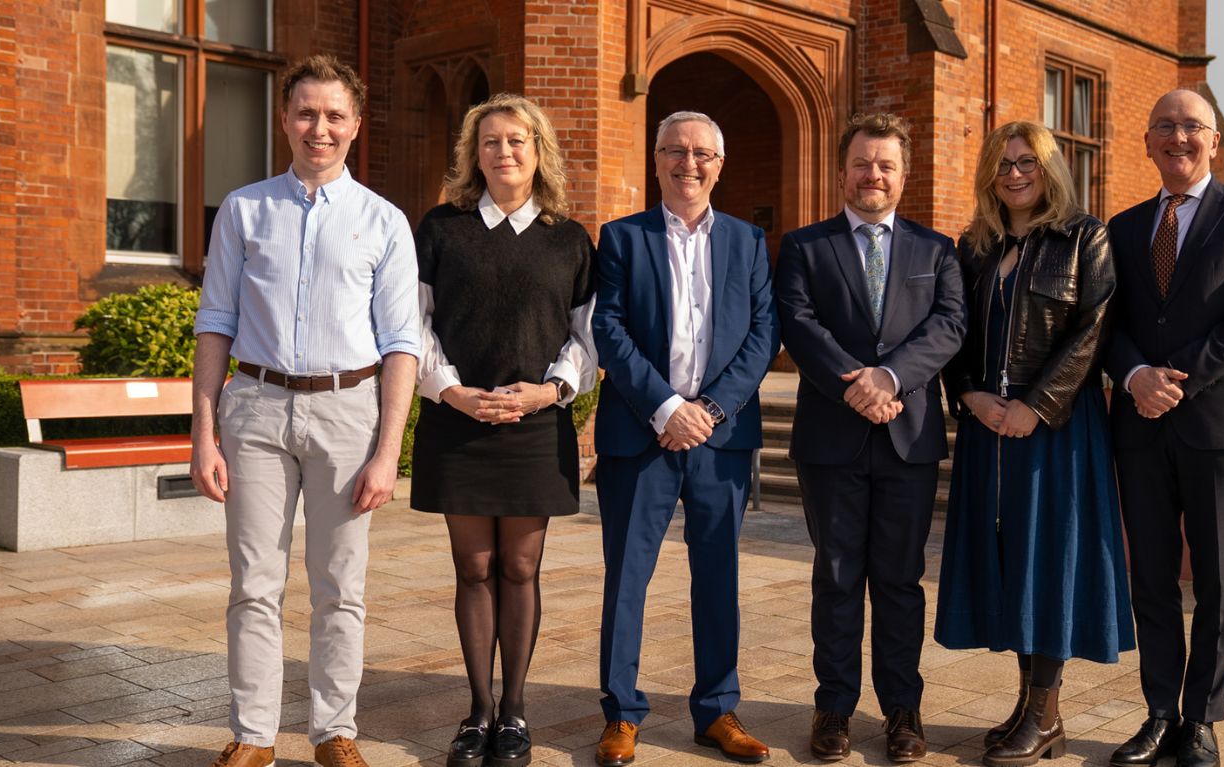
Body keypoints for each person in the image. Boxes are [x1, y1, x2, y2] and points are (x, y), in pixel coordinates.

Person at [190, 54, 419, 767]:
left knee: (339, 586)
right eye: (306, 113)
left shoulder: (384, 221)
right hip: (255, 409)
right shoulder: (244, 209)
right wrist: (203, 433)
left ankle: (334, 731)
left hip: (347, 414)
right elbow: (215, 322)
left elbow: (402, 343)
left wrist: (388, 451)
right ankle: (253, 734)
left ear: (356, 124)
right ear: (285, 120)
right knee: (253, 583)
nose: (320, 128)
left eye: (334, 115)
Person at [934, 120, 1135, 767]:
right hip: (989, 427)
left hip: (1056, 428)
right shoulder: (976, 246)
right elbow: (953, 333)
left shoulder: (1084, 238)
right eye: (1003, 163)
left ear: (1050, 170)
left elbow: (1094, 329)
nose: (1015, 173)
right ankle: (1031, 708)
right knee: (1011, 560)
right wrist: (969, 395)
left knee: (1048, 560)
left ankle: (1044, 716)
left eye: (1028, 162)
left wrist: (1037, 405)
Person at [410, 93, 596, 767]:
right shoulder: (442, 228)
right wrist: (453, 392)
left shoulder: (569, 238)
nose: (504, 151)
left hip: (534, 425)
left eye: (517, 140)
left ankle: (514, 711)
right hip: (457, 420)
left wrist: (550, 391)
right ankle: (478, 711)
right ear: (474, 154)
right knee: (473, 566)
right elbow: (413, 325)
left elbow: (585, 338)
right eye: (490, 141)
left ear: (538, 151)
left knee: (519, 566)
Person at [774, 112, 965, 764]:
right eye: (862, 163)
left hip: (908, 439)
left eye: (886, 165)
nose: (873, 174)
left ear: (904, 176)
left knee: (900, 579)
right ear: (841, 172)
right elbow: (798, 323)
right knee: (835, 577)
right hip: (831, 438)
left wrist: (890, 377)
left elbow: (949, 326)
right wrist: (855, 385)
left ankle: (902, 709)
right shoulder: (806, 246)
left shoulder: (936, 251)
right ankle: (833, 705)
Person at [589, 110, 779, 767]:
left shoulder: (748, 241)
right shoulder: (622, 237)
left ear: (719, 165)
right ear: (656, 159)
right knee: (627, 578)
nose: (687, 163)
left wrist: (711, 410)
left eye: (701, 153)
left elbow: (764, 333)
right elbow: (608, 328)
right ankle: (621, 714)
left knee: (718, 577)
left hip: (719, 443)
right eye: (674, 150)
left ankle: (717, 710)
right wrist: (667, 407)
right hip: (640, 435)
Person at [1104, 89, 1224, 767]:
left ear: (1214, 141)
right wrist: (1134, 377)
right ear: (1147, 142)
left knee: (1216, 584)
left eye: (1191, 126)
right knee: (1150, 580)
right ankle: (1159, 713)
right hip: (1139, 427)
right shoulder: (1123, 227)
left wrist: (1173, 379)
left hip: (1217, 424)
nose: (1177, 137)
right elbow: (1107, 323)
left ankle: (1202, 719)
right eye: (1164, 126)